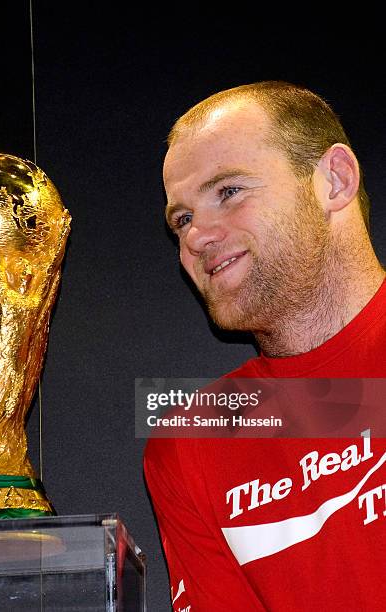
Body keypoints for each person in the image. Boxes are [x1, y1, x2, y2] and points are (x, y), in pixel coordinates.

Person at [144, 81, 386, 611]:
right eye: (181, 219)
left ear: (335, 182)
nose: (196, 237)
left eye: (228, 192)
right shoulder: (191, 443)